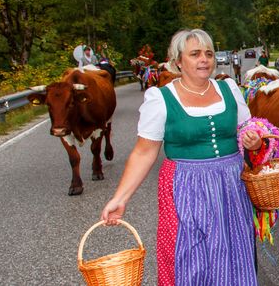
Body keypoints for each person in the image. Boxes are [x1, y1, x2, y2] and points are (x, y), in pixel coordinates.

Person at [100, 29, 263, 285]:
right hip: (185, 187)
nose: (204, 59)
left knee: (234, 253)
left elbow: (247, 129)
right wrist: (120, 199)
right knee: (189, 257)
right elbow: (144, 152)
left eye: (208, 53)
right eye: (195, 54)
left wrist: (252, 139)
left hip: (231, 186)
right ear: (178, 61)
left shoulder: (229, 88)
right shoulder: (162, 98)